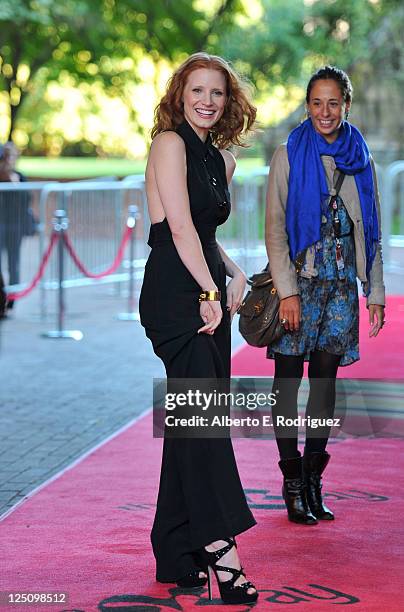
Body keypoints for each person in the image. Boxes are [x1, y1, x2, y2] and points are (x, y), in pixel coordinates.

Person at [139, 53, 258, 604]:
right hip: (176, 298)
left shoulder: (220, 159)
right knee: (204, 426)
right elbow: (178, 228)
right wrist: (209, 291)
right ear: (180, 95)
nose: (207, 101)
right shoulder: (168, 143)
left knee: (193, 421)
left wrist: (231, 273)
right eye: (197, 91)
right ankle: (219, 550)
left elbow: (206, 235)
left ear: (227, 100)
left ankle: (176, 549)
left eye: (217, 92)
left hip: (209, 293)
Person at [265, 66, 385, 525]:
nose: (325, 112)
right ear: (307, 105)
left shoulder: (361, 156)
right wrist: (287, 292)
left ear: (346, 105)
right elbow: (276, 232)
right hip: (300, 282)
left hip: (339, 288)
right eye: (316, 102)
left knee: (325, 385)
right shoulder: (289, 154)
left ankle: (314, 481)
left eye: (333, 102)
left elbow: (369, 230)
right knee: (288, 381)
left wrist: (374, 291)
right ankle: (291, 479)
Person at [0, 141, 35, 312]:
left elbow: (26, 201)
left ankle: (12, 299)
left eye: (11, 156)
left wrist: (15, 185)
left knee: (13, 264)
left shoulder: (20, 177)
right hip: (1, 225)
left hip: (14, 226)